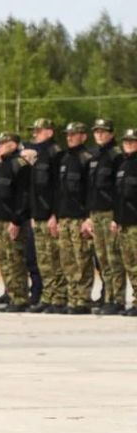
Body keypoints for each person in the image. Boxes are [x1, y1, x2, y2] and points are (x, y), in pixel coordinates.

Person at [53, 122, 94, 315]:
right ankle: (72, 297)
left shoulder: (87, 159)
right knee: (67, 259)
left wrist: (88, 217)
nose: (69, 137)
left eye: (74, 134)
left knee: (82, 259)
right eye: (68, 134)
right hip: (64, 217)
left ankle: (83, 299)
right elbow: (58, 191)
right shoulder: (64, 158)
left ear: (83, 136)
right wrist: (55, 215)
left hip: (80, 217)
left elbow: (91, 191)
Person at [0, 132, 31, 312]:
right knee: (4, 260)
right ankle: (11, 293)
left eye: (3, 143)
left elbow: (24, 196)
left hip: (12, 222)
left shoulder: (19, 165)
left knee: (15, 260)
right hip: (0, 221)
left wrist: (17, 220)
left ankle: (20, 298)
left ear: (13, 144)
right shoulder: (4, 166)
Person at [86, 118, 124, 315]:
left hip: (109, 213)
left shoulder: (117, 156)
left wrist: (117, 217)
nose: (99, 134)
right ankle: (107, 296)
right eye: (97, 131)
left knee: (113, 257)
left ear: (111, 133)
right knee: (101, 259)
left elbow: (119, 189)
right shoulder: (94, 156)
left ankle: (117, 299)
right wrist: (88, 215)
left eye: (103, 131)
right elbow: (90, 188)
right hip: (96, 213)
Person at [28, 118, 66, 314]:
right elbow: (36, 188)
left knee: (54, 258)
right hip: (39, 214)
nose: (35, 134)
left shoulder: (55, 153)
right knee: (43, 259)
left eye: (39, 130)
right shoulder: (39, 155)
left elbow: (58, 188)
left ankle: (59, 297)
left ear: (49, 132)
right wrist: (34, 213)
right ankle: (48, 296)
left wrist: (55, 214)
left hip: (50, 214)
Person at [112, 128, 137, 316]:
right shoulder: (123, 165)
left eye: (132, 141)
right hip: (125, 222)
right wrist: (116, 219)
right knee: (129, 264)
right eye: (126, 141)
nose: (128, 144)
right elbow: (119, 196)